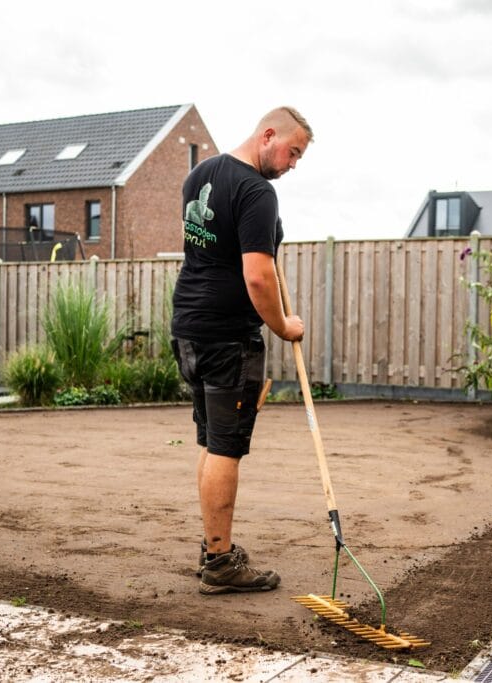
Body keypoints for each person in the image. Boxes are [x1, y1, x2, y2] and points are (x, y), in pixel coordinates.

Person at [171, 106, 313, 595]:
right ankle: (220, 561)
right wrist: (283, 327)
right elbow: (257, 275)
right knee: (226, 447)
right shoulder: (257, 190)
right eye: (293, 152)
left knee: (212, 444)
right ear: (268, 135)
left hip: (189, 327)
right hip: (227, 336)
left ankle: (213, 545)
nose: (293, 164)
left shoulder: (200, 174)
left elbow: (211, 252)